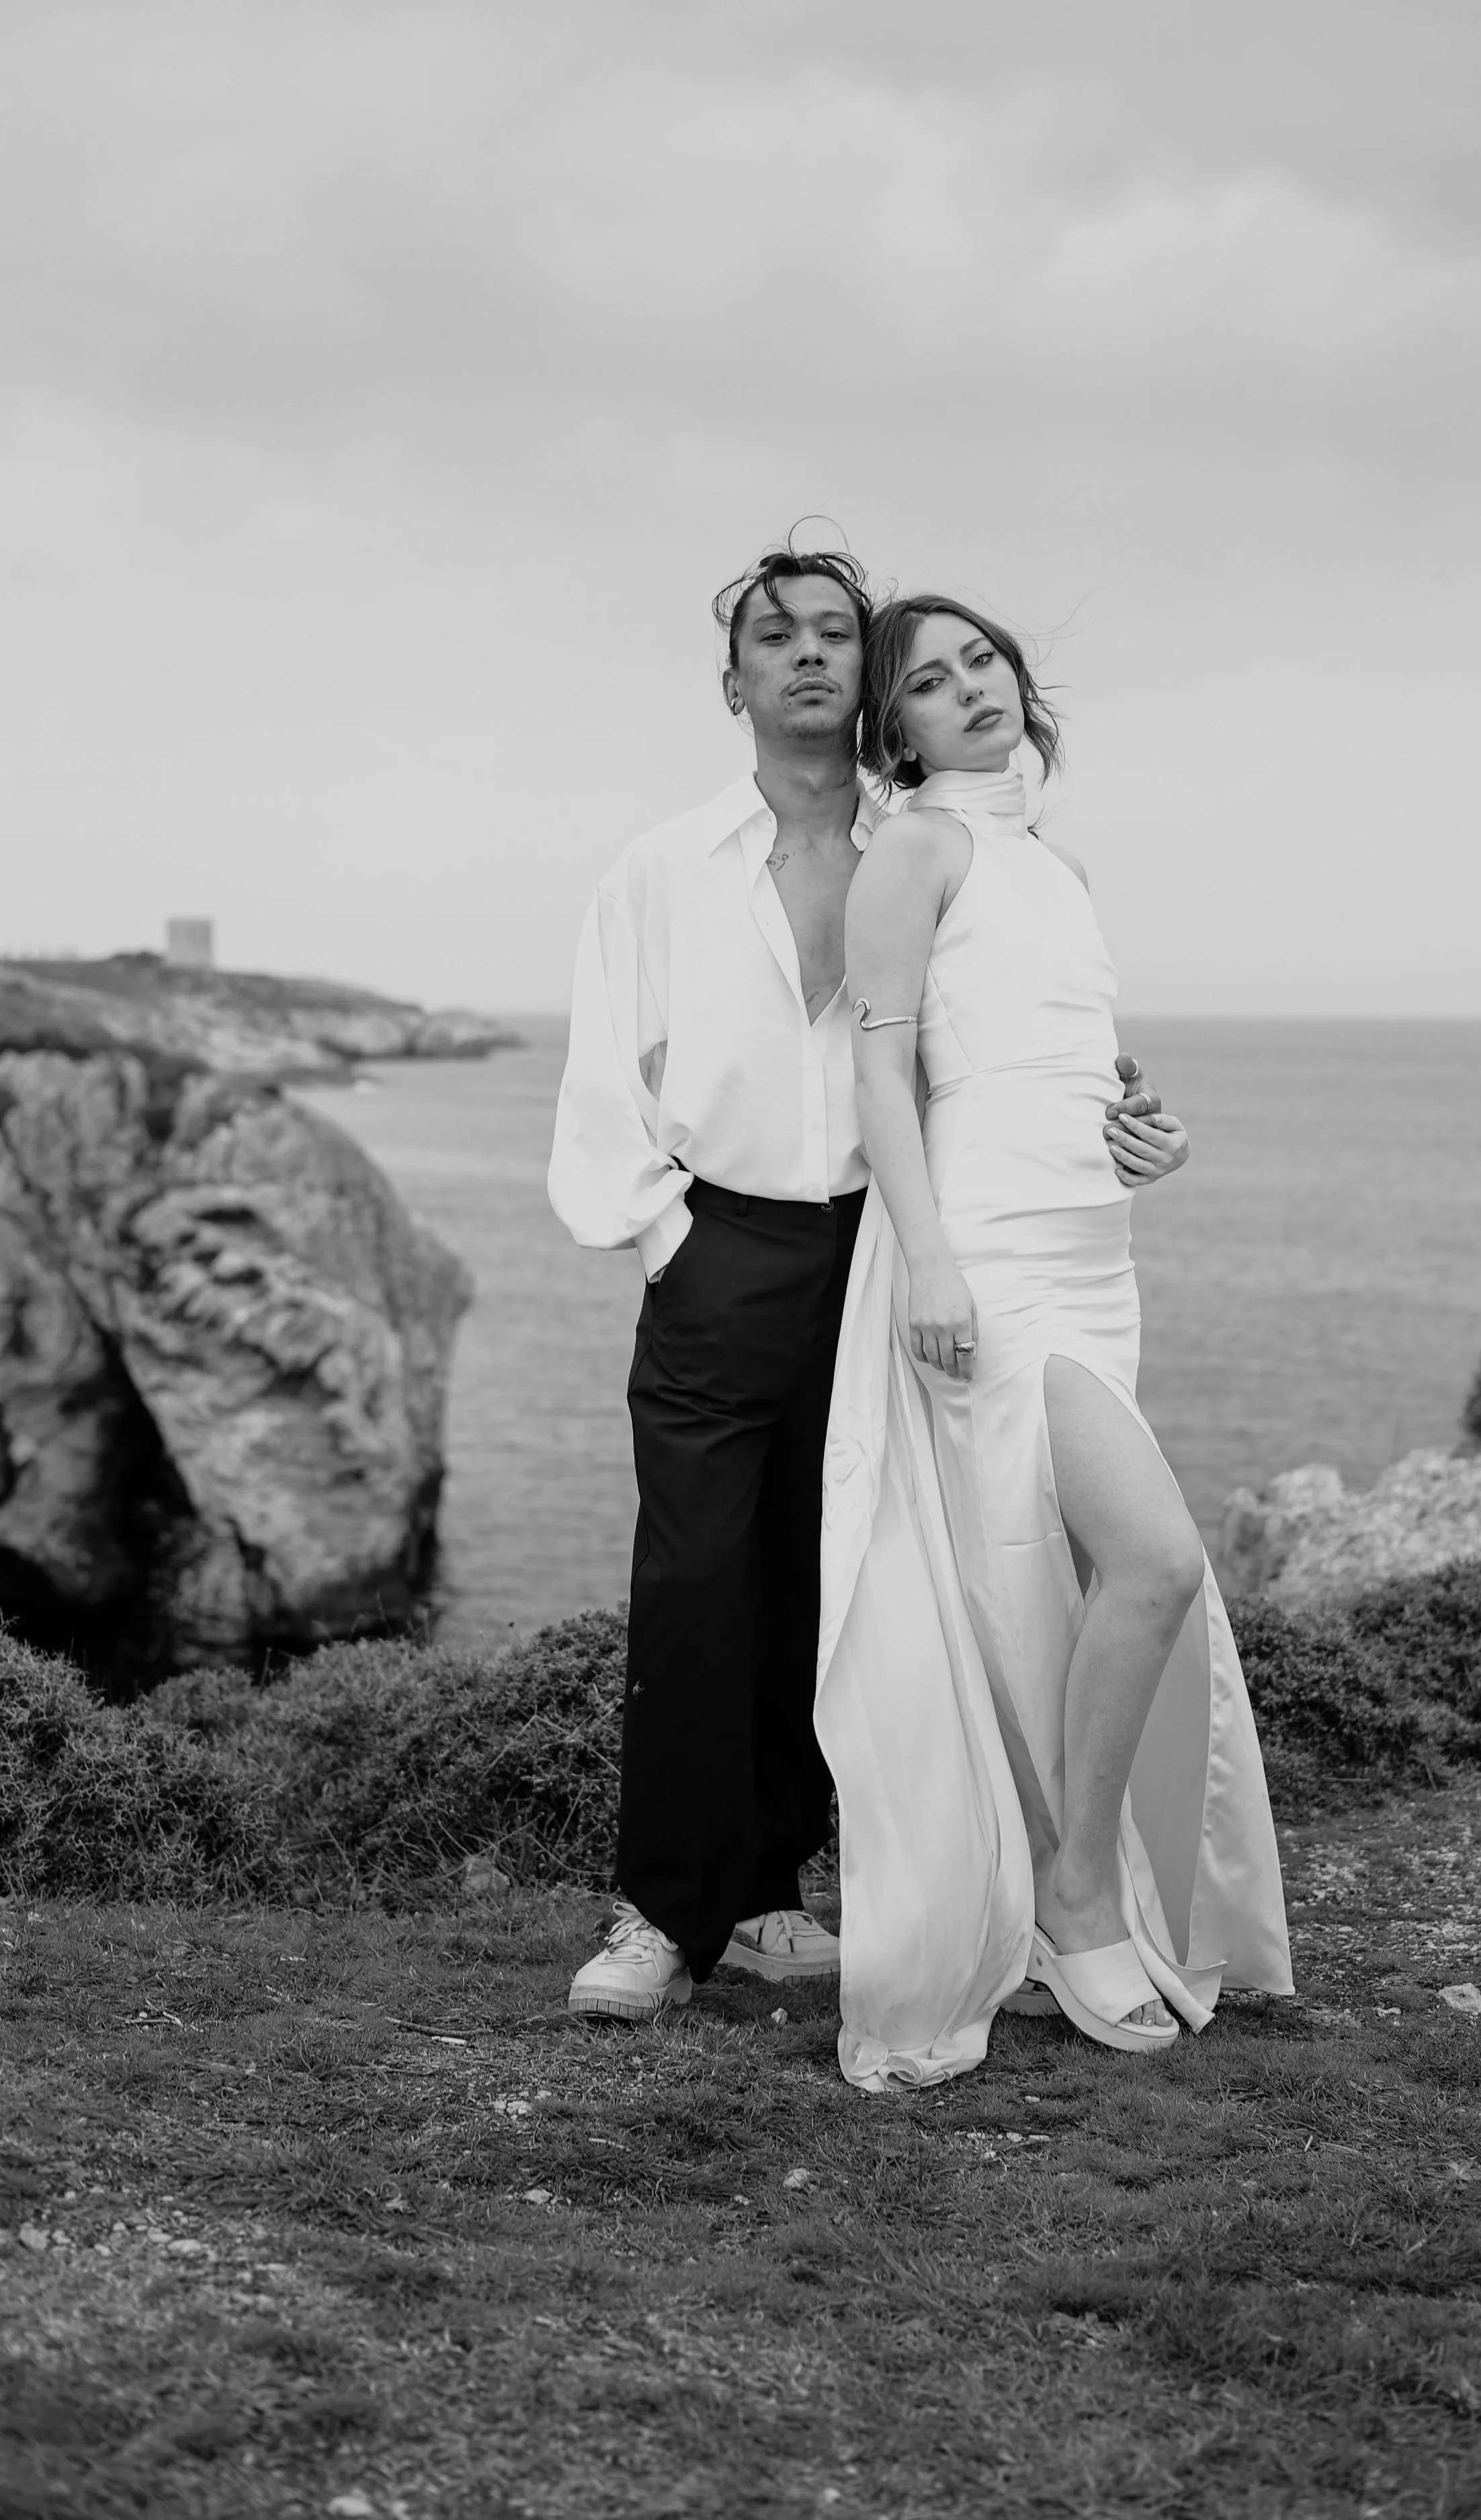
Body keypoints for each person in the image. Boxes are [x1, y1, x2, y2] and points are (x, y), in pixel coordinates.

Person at [548, 543, 1179, 2024]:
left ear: (867, 677)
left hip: (895, 1246)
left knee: (846, 1583)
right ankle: (659, 1913)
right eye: (779, 639)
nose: (811, 656)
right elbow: (598, 1074)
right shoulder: (663, 866)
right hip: (727, 1246)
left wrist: (1111, 1107)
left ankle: (773, 1895)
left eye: (837, 632)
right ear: (736, 682)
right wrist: (665, 1233)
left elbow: (998, 1036)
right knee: (697, 1572)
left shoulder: (936, 841)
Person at [816, 593, 1293, 2090]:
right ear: (891, 732)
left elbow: (1053, 1058)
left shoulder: (1053, 865)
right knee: (1148, 1562)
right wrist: (932, 1267)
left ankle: (1063, 1887)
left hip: (1095, 1253)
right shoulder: (913, 848)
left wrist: (1140, 1131)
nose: (970, 692)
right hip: (987, 1260)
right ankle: (1072, 1888)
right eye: (929, 684)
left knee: (1082, 1579)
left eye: (984, 664)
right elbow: (881, 1080)